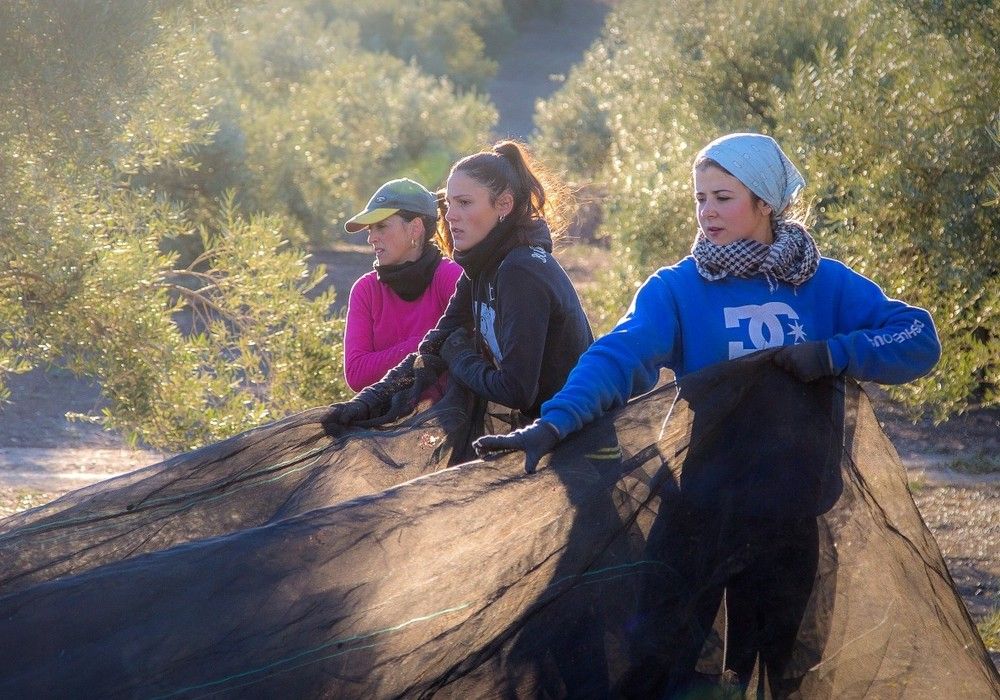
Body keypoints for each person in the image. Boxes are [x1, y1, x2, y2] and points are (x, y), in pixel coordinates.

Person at [473, 132, 942, 694]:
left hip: (791, 518)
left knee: (782, 678)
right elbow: (617, 356)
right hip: (701, 514)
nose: (707, 212)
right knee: (658, 664)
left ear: (764, 202)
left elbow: (917, 338)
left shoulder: (823, 283)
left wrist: (833, 353)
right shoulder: (679, 288)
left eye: (723, 197)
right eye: (700, 198)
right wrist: (552, 423)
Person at [325, 141, 594, 435]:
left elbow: (517, 390)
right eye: (449, 203)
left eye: (464, 203)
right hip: (548, 431)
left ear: (504, 204)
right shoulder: (481, 269)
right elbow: (432, 349)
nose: (450, 215)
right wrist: (366, 402)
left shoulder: (521, 270)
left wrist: (460, 357)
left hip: (582, 437)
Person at [341, 178, 462, 396]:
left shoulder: (451, 278)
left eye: (381, 226)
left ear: (415, 228)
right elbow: (357, 374)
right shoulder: (366, 290)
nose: (371, 238)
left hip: (449, 420)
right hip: (382, 424)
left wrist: (390, 358)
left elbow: (470, 349)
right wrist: (431, 343)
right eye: (370, 229)